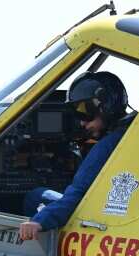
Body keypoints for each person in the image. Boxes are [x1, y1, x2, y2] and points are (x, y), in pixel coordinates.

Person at [19, 71, 132, 243]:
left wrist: (38, 221)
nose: (82, 122)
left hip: (99, 212)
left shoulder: (107, 145)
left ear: (106, 107)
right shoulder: (134, 130)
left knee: (35, 196)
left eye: (85, 112)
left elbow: (78, 193)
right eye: (78, 113)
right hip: (122, 207)